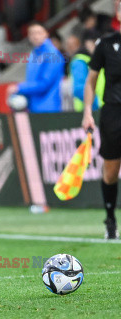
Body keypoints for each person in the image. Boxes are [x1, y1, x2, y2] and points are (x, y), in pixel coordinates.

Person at [82, 6, 121, 240]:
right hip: (113, 112)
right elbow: (91, 80)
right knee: (111, 170)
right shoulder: (106, 43)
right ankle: (110, 220)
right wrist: (87, 111)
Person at [7, 22, 65, 113]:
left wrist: (19, 87)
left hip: (49, 109)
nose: (35, 36)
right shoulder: (34, 54)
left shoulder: (53, 55)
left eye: (38, 32)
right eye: (32, 33)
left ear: (46, 34)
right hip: (33, 108)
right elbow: (31, 81)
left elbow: (45, 84)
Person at [69, 30, 105, 112]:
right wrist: (97, 104)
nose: (96, 45)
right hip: (87, 111)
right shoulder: (80, 61)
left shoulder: (97, 59)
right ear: (86, 43)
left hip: (100, 110)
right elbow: (79, 89)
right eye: (93, 41)